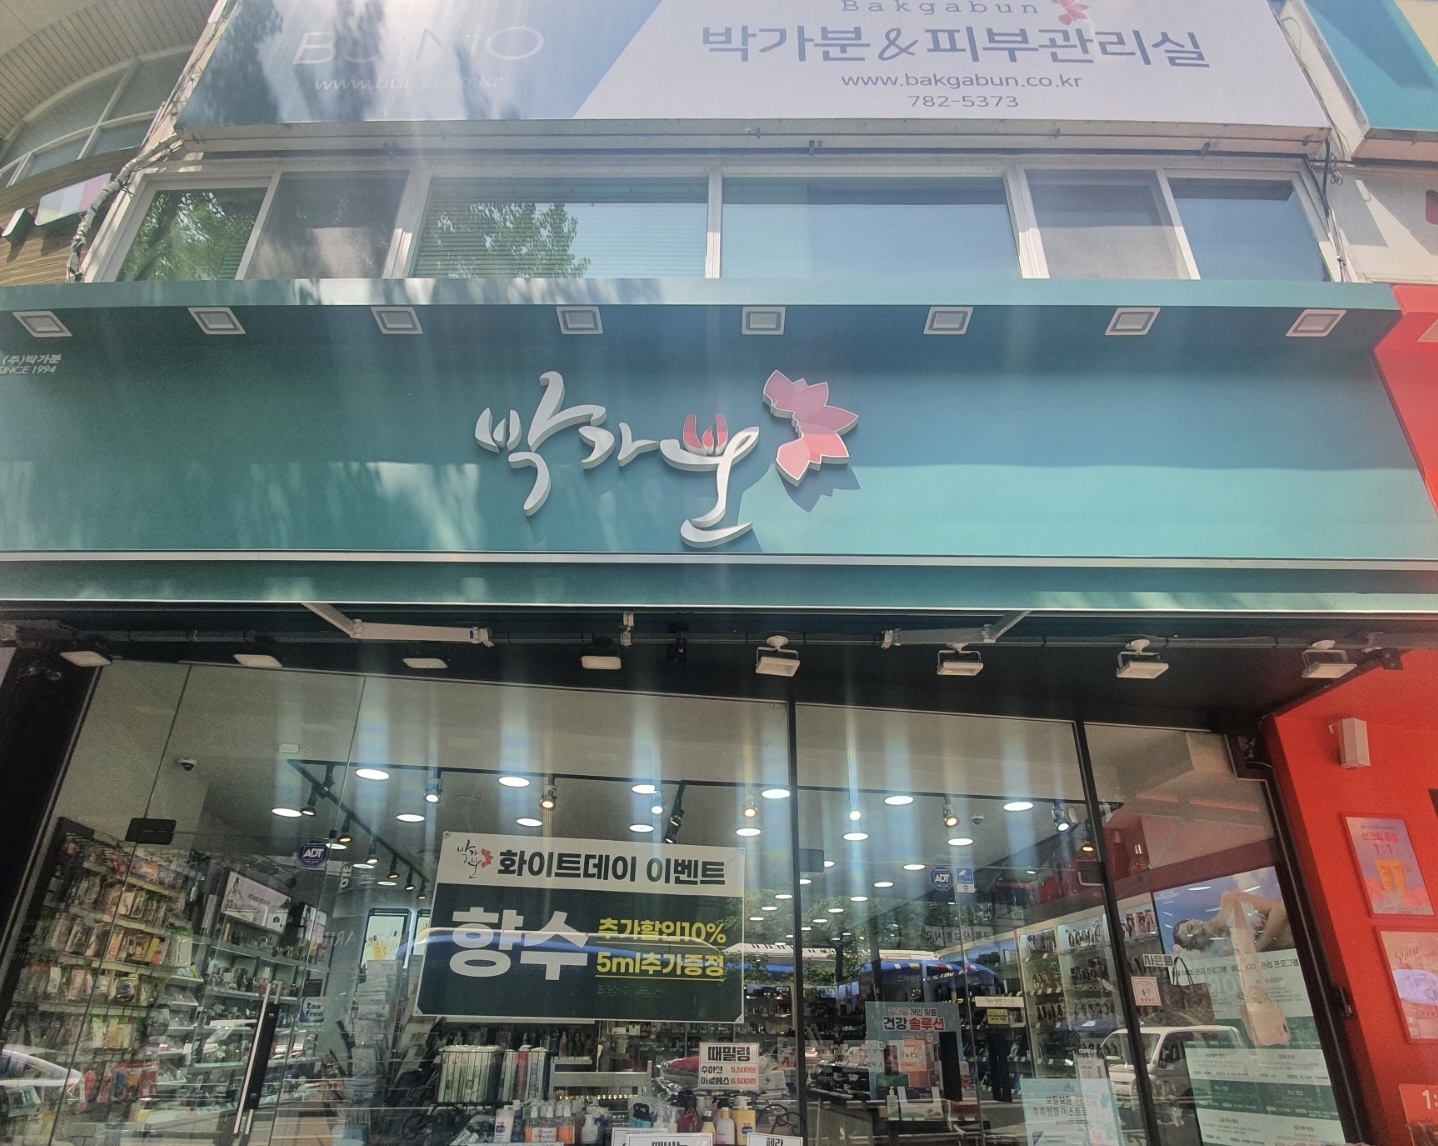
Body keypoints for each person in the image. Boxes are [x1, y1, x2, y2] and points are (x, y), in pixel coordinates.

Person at [1173, 890, 1293, 953]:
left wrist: (1256, 948)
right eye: (1194, 941)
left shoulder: (1229, 901)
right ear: (1200, 948)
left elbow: (1280, 910)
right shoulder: (1226, 954)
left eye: (1190, 927)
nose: (1197, 932)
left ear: (1192, 919)